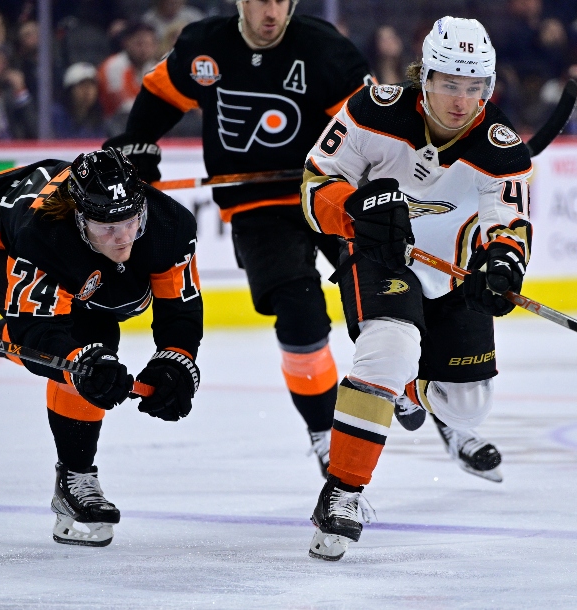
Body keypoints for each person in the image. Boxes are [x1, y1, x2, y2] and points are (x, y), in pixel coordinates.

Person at [103, 0, 375, 479]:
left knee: (378, 290)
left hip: (329, 191)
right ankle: (324, 434)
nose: (270, 11)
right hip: (256, 206)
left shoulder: (324, 50)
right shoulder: (204, 46)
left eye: (280, 0)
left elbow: (371, 127)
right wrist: (138, 143)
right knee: (299, 313)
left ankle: (414, 381)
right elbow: (161, 94)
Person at [300, 16, 533, 560]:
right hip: (379, 258)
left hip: (451, 270)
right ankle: (342, 493)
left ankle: (407, 391)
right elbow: (314, 185)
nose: (460, 100)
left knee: (468, 406)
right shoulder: (370, 111)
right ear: (423, 76)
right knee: (390, 345)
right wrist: (353, 210)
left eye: (474, 87)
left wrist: (501, 264)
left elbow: (510, 224)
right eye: (450, 83)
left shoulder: (500, 147)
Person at [0, 149, 203, 547]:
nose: (123, 237)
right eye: (107, 227)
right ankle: (74, 480)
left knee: (98, 336)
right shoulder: (44, 235)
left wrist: (176, 362)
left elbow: (181, 310)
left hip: (71, 250)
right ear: (80, 217)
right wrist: (82, 363)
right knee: (89, 347)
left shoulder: (170, 224)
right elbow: (38, 332)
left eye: (131, 221)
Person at [98, 20, 162, 134]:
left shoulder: (155, 68)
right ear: (126, 43)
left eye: (149, 44)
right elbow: (123, 106)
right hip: (112, 124)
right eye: (139, 44)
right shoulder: (114, 66)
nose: (144, 50)